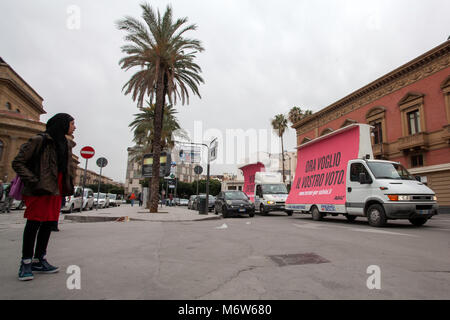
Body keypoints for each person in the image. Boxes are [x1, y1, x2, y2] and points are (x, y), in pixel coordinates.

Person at [12, 113, 76, 281]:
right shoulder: (40, 140)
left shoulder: (66, 144)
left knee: (48, 224)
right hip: (40, 189)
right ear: (63, 124)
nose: (74, 127)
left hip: (56, 189)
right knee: (33, 224)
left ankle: (40, 259)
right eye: (72, 124)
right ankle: (25, 263)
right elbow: (18, 162)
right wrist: (33, 180)